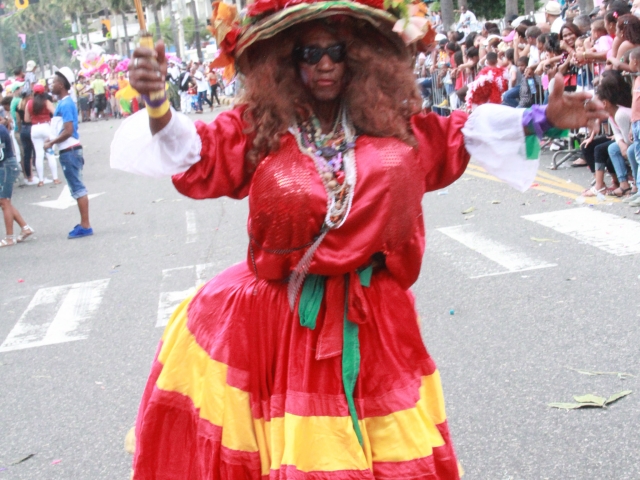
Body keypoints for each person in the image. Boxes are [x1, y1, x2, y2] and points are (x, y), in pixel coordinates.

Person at [112, 0, 606, 476]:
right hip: (284, 326)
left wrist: (543, 118)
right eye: (310, 53)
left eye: (337, 51)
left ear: (361, 57)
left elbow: (459, 133)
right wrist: (158, 105)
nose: (325, 64)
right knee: (311, 456)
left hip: (376, 321)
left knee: (395, 452)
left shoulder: (393, 124)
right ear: (286, 60)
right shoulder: (259, 129)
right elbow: (195, 152)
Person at [44, 67, 93, 239]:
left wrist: (52, 142)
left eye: (54, 82)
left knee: (78, 188)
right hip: (68, 150)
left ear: (62, 85)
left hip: (69, 150)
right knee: (76, 187)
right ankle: (84, 223)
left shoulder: (65, 104)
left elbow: (68, 130)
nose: (51, 85)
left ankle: (85, 225)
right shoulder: (63, 103)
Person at [0, 117, 34, 247]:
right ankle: (25, 227)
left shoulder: (1, 131)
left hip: (6, 166)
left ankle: (10, 237)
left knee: (4, 201)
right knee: (4, 202)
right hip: (5, 166)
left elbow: (1, 155)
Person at [26, 83, 60, 186]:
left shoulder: (29, 103)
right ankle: (55, 178)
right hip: (46, 126)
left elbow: (26, 119)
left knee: (38, 154)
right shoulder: (46, 102)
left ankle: (41, 180)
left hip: (34, 128)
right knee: (50, 153)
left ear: (33, 92)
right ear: (43, 92)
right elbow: (55, 113)